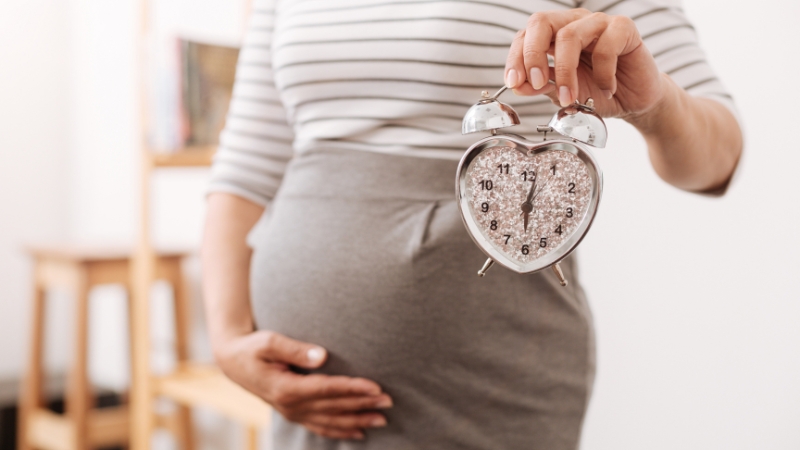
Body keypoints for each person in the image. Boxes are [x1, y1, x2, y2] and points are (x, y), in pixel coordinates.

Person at [202, 0, 742, 448]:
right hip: (309, 400)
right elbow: (246, 160)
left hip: (486, 385)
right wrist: (226, 338)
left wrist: (656, 105)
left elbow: (718, 161)